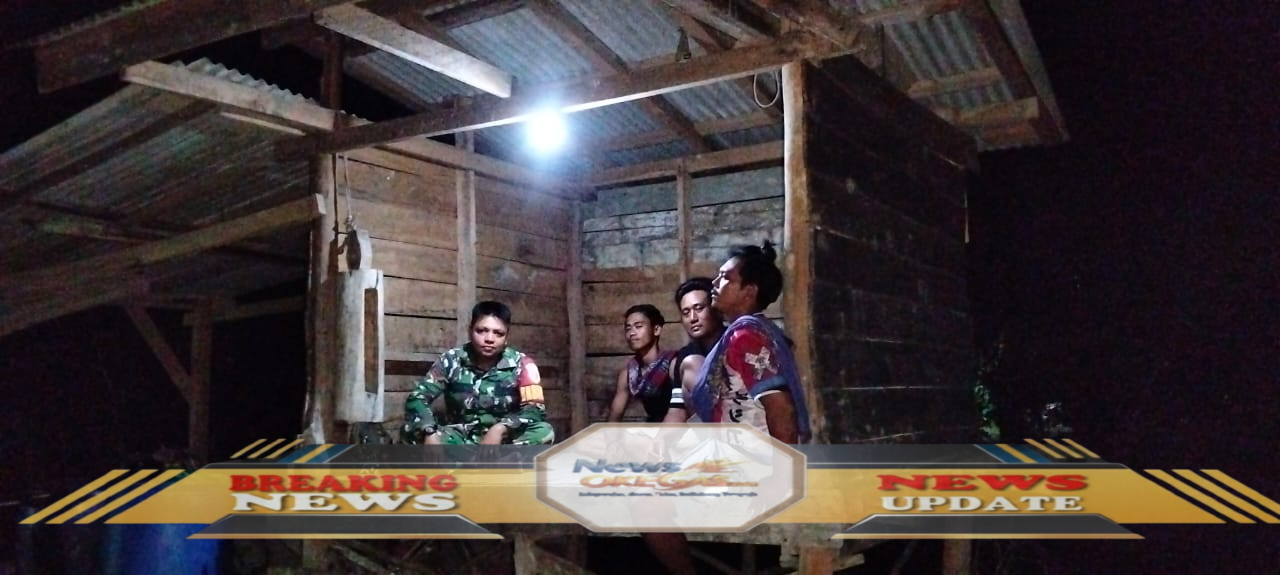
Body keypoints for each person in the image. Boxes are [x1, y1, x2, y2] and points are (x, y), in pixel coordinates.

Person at [667, 241, 811, 444]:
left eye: (725, 277)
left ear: (749, 291)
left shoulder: (746, 337)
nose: (715, 283)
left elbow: (782, 410)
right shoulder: (754, 331)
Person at [401, 301, 553, 445]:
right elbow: (417, 398)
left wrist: (501, 428)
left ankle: (489, 461)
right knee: (409, 431)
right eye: (481, 331)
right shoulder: (451, 360)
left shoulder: (522, 364)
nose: (489, 339)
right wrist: (429, 430)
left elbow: (534, 410)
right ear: (470, 331)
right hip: (460, 439)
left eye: (498, 333)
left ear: (506, 337)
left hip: (503, 440)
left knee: (544, 432)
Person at [666, 277, 727, 418]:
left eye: (699, 308)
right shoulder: (686, 354)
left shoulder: (736, 341)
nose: (693, 318)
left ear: (716, 308)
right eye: (686, 313)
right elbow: (677, 410)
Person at [608, 304, 680, 423]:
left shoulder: (672, 364)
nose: (632, 333)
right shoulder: (629, 373)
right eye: (628, 328)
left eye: (638, 326)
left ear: (656, 330)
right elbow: (614, 418)